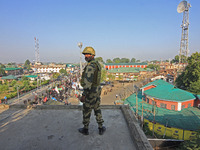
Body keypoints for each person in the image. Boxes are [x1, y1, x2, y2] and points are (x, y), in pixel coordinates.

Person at [78, 46, 106, 135]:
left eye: (88, 54)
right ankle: (101, 127)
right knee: (97, 108)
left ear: (92, 55)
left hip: (90, 92)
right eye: (85, 54)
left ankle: (85, 129)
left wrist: (84, 95)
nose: (86, 56)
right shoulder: (97, 64)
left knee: (87, 110)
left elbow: (87, 82)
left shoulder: (90, 66)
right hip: (97, 90)